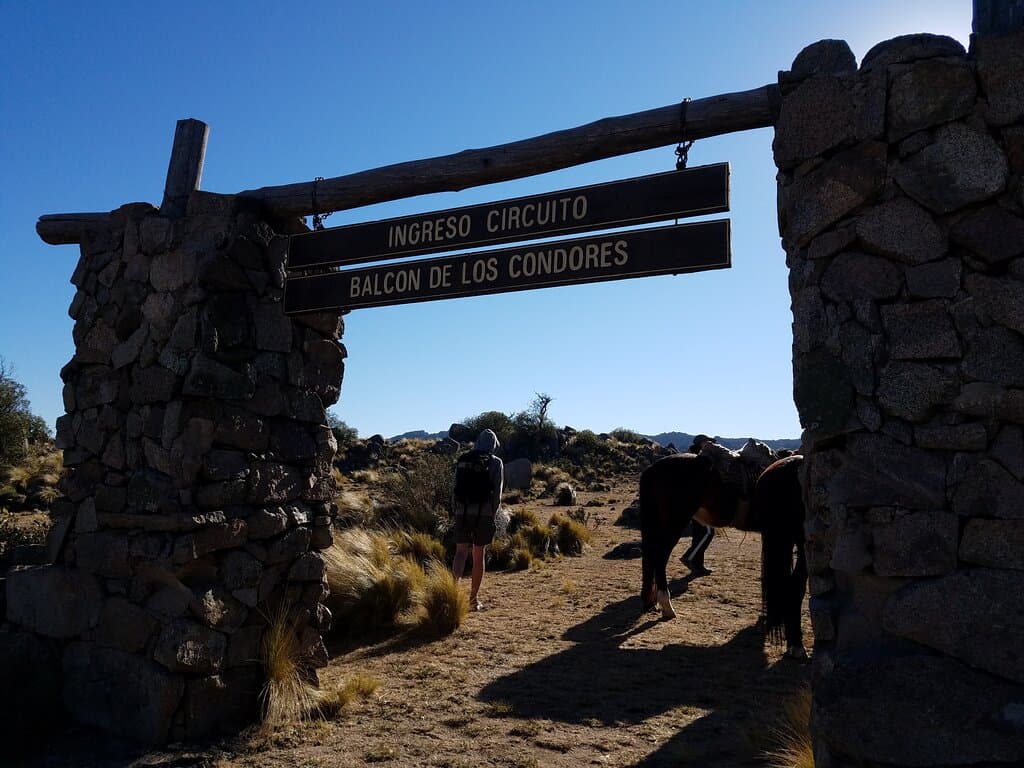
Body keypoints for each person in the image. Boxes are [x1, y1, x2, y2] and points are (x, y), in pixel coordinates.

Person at [451, 429, 504, 611]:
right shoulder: (495, 462)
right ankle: (473, 600)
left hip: (462, 511)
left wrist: (456, 510)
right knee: (478, 554)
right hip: (483, 513)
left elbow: (455, 487)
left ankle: (452, 595)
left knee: (460, 553)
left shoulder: (463, 459)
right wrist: (492, 513)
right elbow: (497, 494)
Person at [680, 434, 715, 575]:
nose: (710, 444)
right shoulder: (697, 459)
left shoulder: (693, 457)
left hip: (693, 502)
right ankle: (689, 557)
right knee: (708, 532)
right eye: (707, 442)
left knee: (699, 533)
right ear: (700, 443)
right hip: (696, 502)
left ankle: (698, 565)